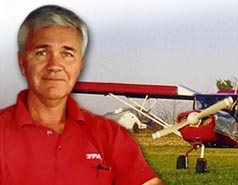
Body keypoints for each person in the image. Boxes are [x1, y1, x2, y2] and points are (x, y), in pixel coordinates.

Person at [0, 5, 164, 185]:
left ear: (80, 65)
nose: (55, 65)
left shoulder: (110, 136)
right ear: (22, 62)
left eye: (67, 54)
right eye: (41, 52)